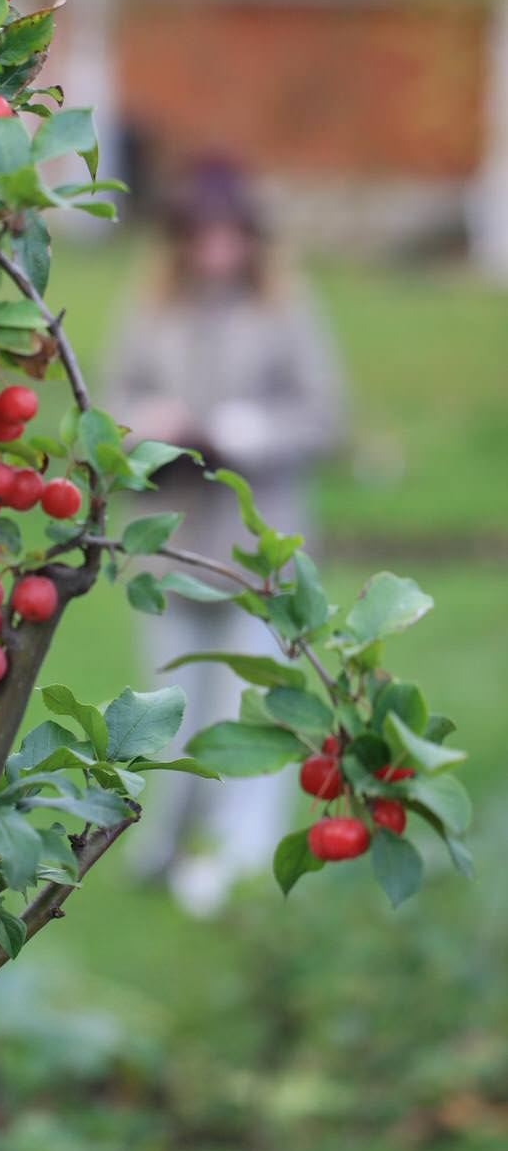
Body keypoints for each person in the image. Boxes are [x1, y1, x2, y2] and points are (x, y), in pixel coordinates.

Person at [104, 155, 346, 913]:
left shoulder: (285, 310)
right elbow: (107, 404)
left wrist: (255, 431)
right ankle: (158, 847)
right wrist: (147, 426)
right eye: (199, 231)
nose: (214, 245)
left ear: (249, 236)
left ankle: (235, 863)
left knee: (252, 715)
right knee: (166, 711)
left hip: (258, 550)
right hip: (168, 544)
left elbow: (326, 415)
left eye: (228, 231)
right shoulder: (151, 310)